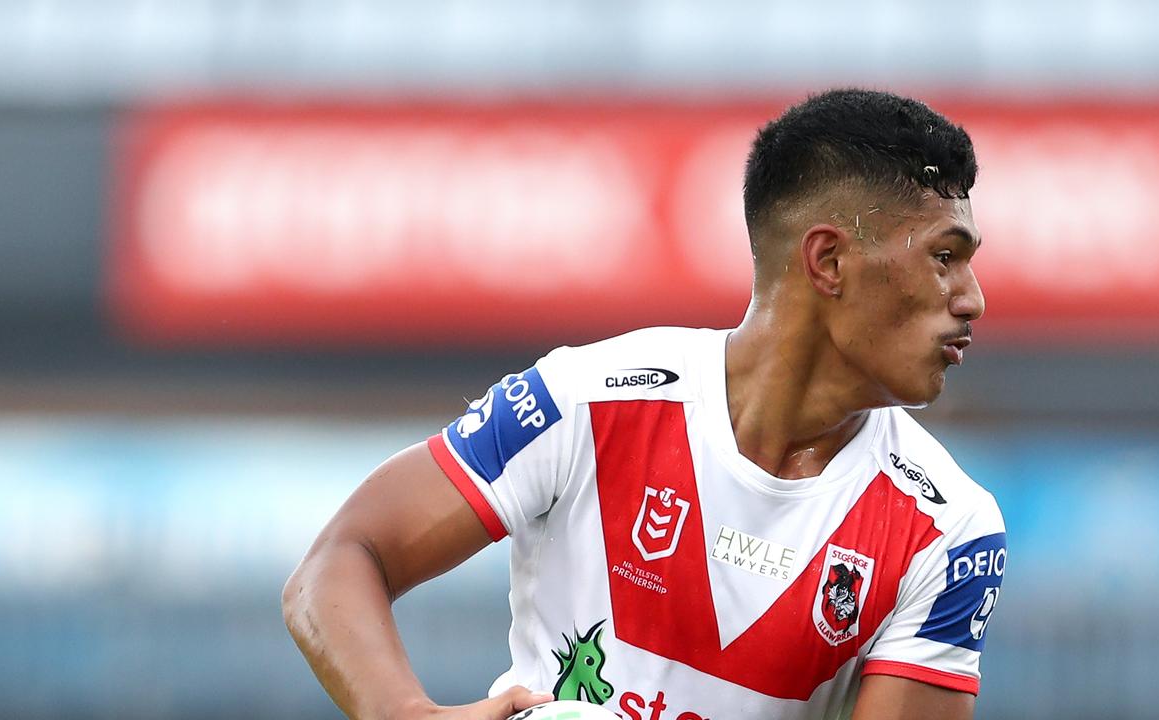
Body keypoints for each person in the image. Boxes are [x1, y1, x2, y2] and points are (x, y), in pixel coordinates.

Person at [283, 88, 1005, 720]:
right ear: (828, 262)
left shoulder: (949, 529)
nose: (971, 298)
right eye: (945, 257)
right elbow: (341, 560)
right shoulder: (585, 400)